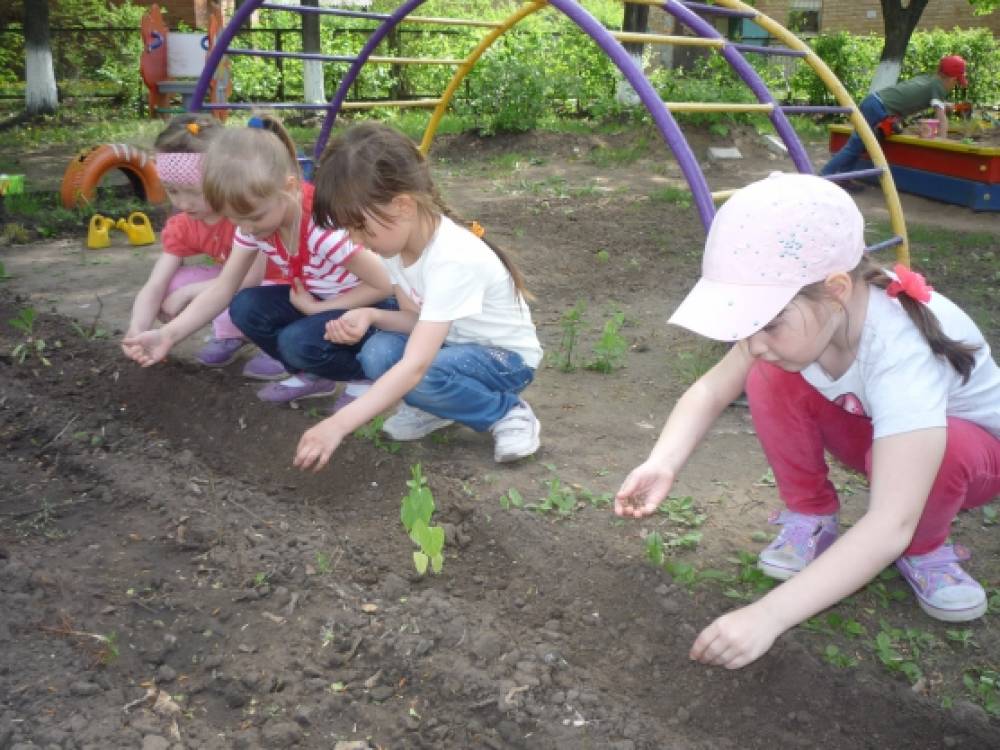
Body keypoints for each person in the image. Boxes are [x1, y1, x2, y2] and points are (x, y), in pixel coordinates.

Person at [615, 173, 1000, 670]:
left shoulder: (903, 349)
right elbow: (711, 388)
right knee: (768, 373)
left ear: (836, 289)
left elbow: (888, 521)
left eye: (769, 322)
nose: (753, 341)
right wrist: (662, 462)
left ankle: (926, 551)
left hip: (971, 458)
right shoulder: (811, 319)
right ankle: (811, 516)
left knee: (941, 465)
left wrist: (768, 616)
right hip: (878, 434)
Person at [293, 122, 543, 470]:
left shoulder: (452, 257)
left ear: (403, 206)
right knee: (378, 352)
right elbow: (413, 320)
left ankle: (507, 413)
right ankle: (435, 407)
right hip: (452, 351)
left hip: (505, 361)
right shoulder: (395, 250)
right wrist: (372, 315)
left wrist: (337, 424)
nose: (354, 240)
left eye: (359, 227)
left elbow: (416, 364)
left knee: (419, 374)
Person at [123, 115, 393, 410]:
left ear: (289, 188)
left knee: (296, 341)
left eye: (253, 218)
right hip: (321, 298)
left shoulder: (321, 229)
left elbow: (383, 284)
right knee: (246, 306)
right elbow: (224, 289)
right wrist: (167, 335)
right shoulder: (255, 220)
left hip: (370, 307)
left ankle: (364, 378)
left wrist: (320, 309)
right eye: (236, 220)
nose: (247, 229)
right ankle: (314, 374)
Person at [122, 113, 287, 380]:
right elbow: (155, 284)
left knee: (243, 298)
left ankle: (278, 346)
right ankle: (232, 334)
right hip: (237, 282)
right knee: (173, 283)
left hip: (279, 283)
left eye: (195, 192)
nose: (184, 204)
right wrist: (136, 330)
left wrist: (191, 292)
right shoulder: (184, 224)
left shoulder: (245, 217)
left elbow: (251, 278)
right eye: (173, 192)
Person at [820, 55, 968, 182]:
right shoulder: (939, 87)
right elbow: (940, 116)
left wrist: (949, 106)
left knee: (860, 145)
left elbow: (921, 97)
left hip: (875, 103)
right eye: (956, 82)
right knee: (855, 146)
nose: (954, 86)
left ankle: (844, 177)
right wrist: (943, 140)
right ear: (952, 79)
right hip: (878, 108)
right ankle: (822, 177)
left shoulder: (930, 80)